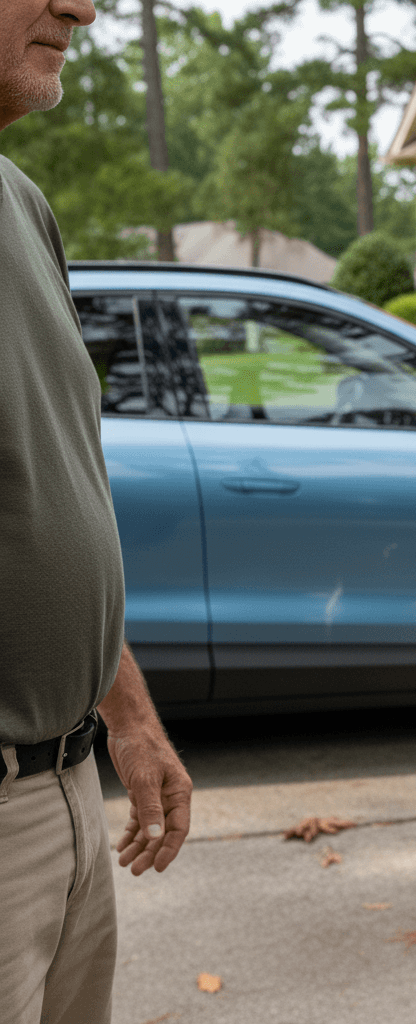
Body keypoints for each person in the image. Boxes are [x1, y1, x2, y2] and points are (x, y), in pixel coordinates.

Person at [0, 0, 193, 1021]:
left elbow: (48, 487)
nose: (80, 3)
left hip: (66, 787)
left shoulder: (19, 200)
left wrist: (127, 714)